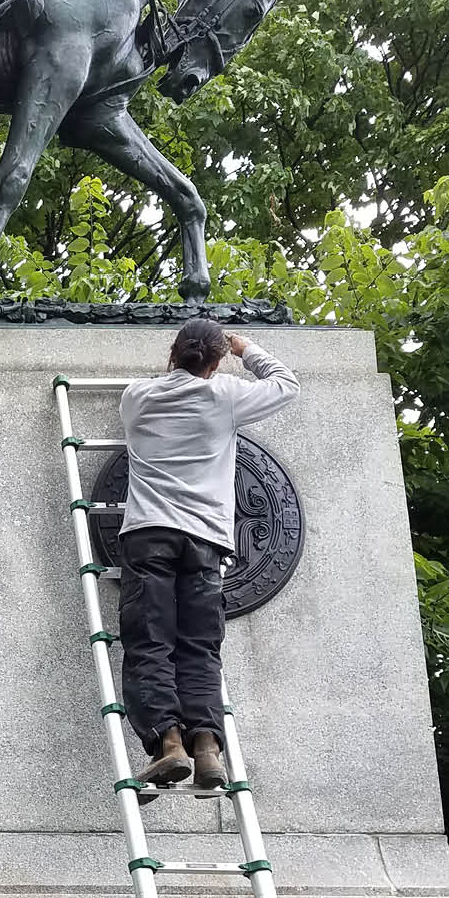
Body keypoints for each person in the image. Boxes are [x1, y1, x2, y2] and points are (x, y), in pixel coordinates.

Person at [115, 317, 301, 791]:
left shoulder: (137, 397)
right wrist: (246, 348)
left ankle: (168, 743)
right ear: (216, 362)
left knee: (150, 641)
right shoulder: (226, 397)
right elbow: (286, 384)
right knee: (200, 646)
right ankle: (208, 749)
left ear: (172, 353)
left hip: (149, 533)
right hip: (205, 541)